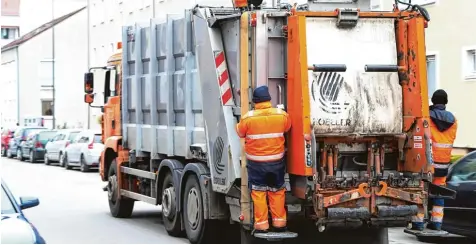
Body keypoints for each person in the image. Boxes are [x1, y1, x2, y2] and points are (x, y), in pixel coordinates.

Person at [236, 85, 292, 234]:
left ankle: (262, 226)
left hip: (256, 164)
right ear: (269, 99)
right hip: (276, 163)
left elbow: (240, 132)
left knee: (259, 193)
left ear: (255, 101)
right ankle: (280, 224)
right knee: (277, 192)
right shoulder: (282, 115)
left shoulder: (248, 118)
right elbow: (288, 127)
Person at [411, 89, 458, 231]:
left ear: (433, 101)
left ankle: (418, 223)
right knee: (439, 192)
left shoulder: (427, 118)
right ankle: (437, 222)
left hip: (428, 164)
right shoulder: (453, 120)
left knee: (421, 191)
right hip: (444, 164)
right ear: (446, 102)